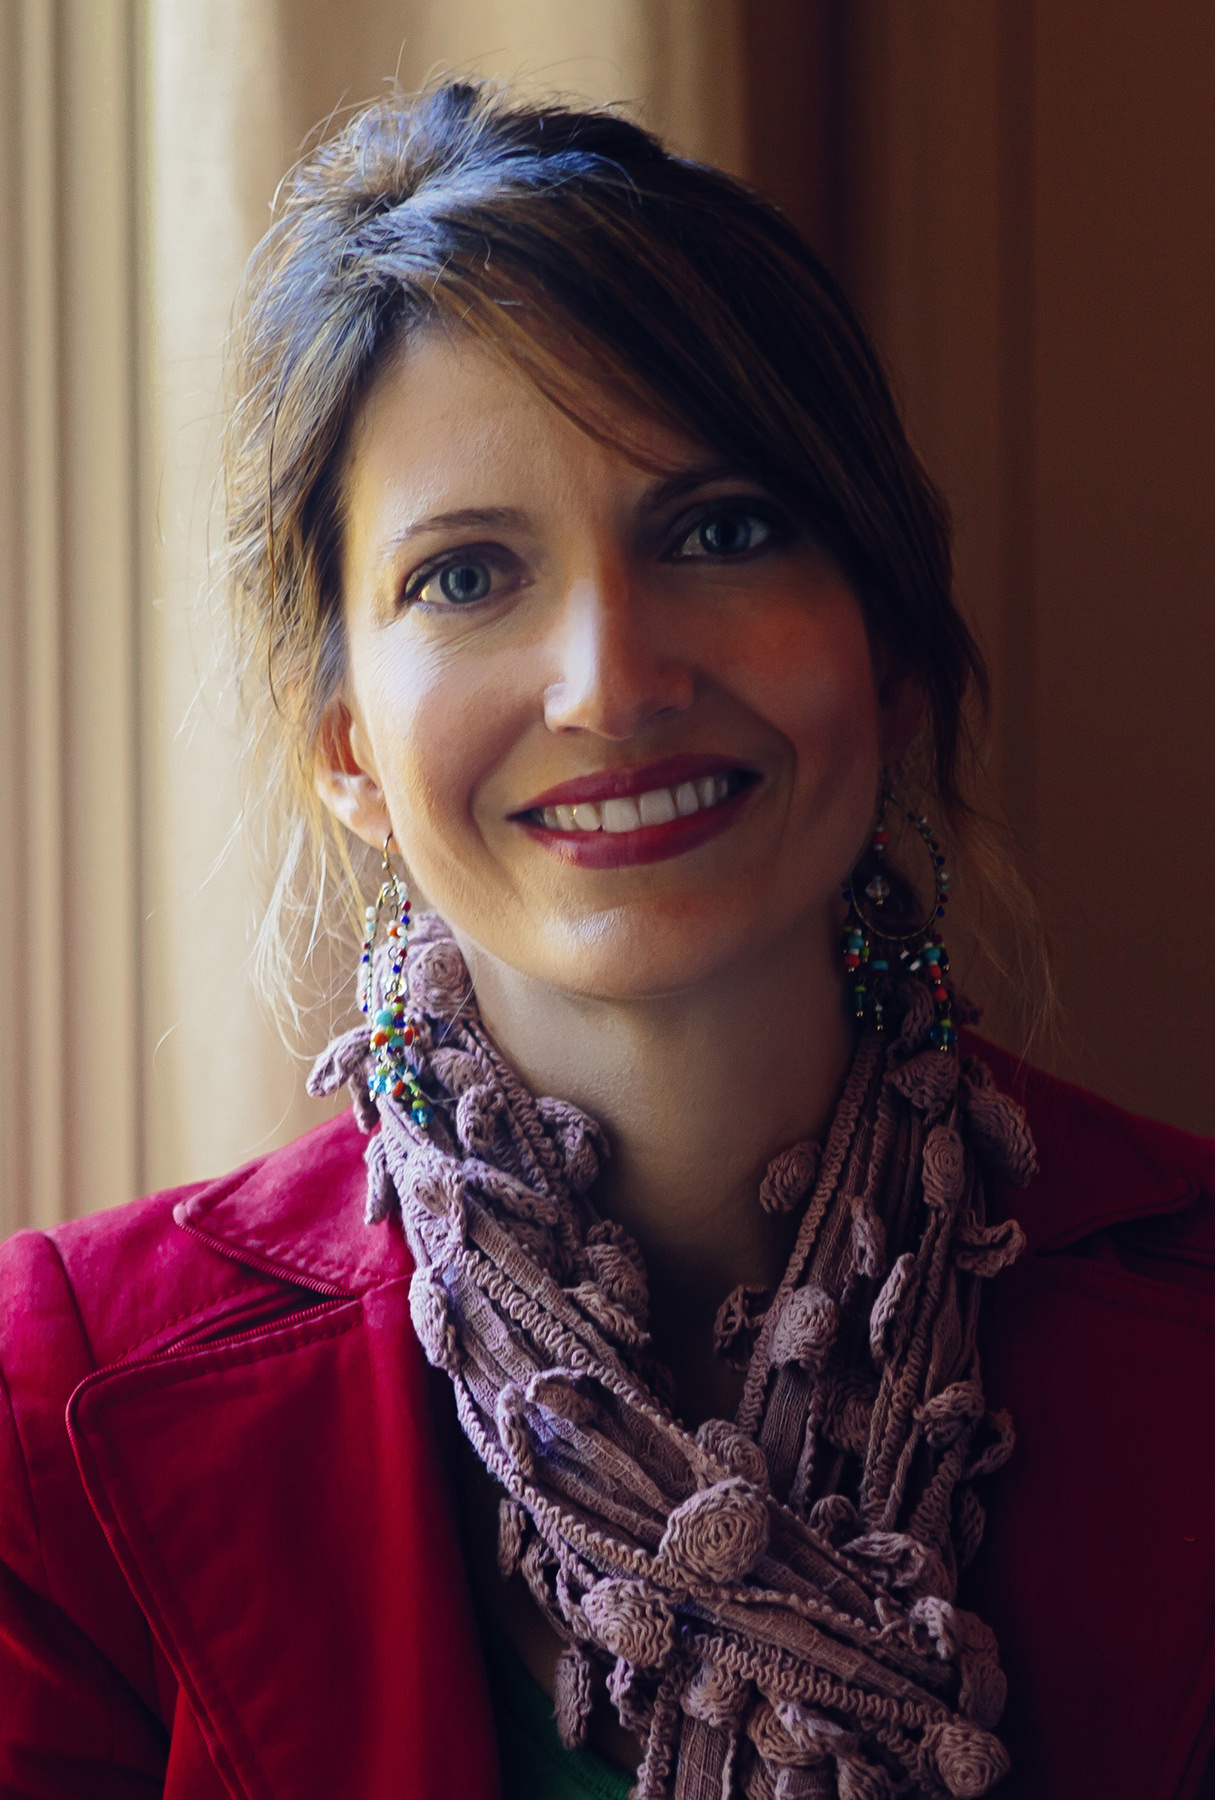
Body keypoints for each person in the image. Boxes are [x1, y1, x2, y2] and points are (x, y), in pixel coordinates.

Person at [2, 81, 1212, 1800]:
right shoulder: (51, 1410)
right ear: (346, 744)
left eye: (719, 530)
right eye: (464, 575)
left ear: (888, 652)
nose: (612, 683)